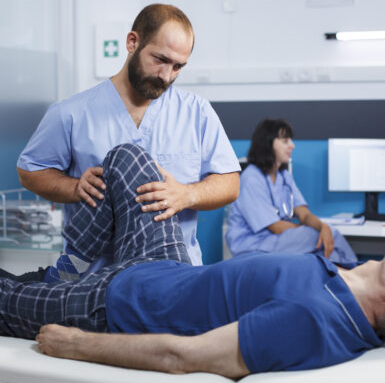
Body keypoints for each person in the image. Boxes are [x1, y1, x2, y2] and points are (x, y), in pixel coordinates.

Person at [0, 143, 383, 379]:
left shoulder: (316, 320)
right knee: (128, 158)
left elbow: (179, 357)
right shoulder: (349, 282)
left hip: (121, 303)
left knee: (6, 298)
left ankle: (52, 290)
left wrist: (78, 346)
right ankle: (65, 272)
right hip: (168, 266)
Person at [13, 3, 240, 281]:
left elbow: (230, 182)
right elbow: (30, 173)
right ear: (132, 42)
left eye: (178, 66)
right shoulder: (71, 113)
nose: (167, 76)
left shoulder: (197, 112)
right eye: (160, 59)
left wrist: (186, 195)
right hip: (93, 279)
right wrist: (75, 187)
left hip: (176, 277)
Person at [226, 118, 357, 264]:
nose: (292, 146)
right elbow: (276, 226)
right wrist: (313, 231)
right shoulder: (251, 178)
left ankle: (350, 278)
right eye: (285, 141)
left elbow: (304, 214)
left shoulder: (284, 177)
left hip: (276, 240)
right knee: (320, 238)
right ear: (268, 143)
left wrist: (322, 227)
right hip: (253, 245)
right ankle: (357, 274)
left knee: (327, 236)